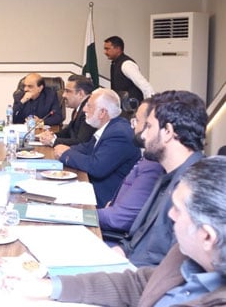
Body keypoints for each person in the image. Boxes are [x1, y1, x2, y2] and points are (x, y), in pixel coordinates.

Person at [6, 157, 226, 306]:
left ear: (207, 236)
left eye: (178, 210)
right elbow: (140, 284)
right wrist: (52, 286)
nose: (170, 215)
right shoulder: (185, 254)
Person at [114, 90, 207, 267]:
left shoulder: (195, 190)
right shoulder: (167, 174)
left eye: (149, 126)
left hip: (141, 282)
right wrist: (120, 251)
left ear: (168, 132)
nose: (143, 135)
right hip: (127, 264)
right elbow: (138, 238)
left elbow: (172, 271)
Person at [54, 88, 141, 207]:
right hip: (92, 189)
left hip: (104, 201)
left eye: (89, 106)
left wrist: (66, 154)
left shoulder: (119, 133)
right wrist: (63, 149)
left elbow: (97, 167)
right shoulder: (111, 127)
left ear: (102, 113)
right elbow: (86, 148)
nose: (84, 109)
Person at [97, 99, 163, 234]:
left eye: (137, 121)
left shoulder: (153, 166)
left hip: (114, 237)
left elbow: (118, 219)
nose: (133, 127)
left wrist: (75, 214)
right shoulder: (148, 159)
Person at [38, 74, 96, 147]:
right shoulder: (78, 109)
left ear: (80, 93)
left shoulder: (89, 111)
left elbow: (81, 142)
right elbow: (68, 131)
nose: (63, 95)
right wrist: (53, 135)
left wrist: (53, 140)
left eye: (68, 91)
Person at [104, 36, 154, 103]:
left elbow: (144, 85)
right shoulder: (115, 63)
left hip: (131, 107)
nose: (105, 52)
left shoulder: (127, 64)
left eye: (107, 49)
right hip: (123, 106)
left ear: (118, 49)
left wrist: (151, 106)